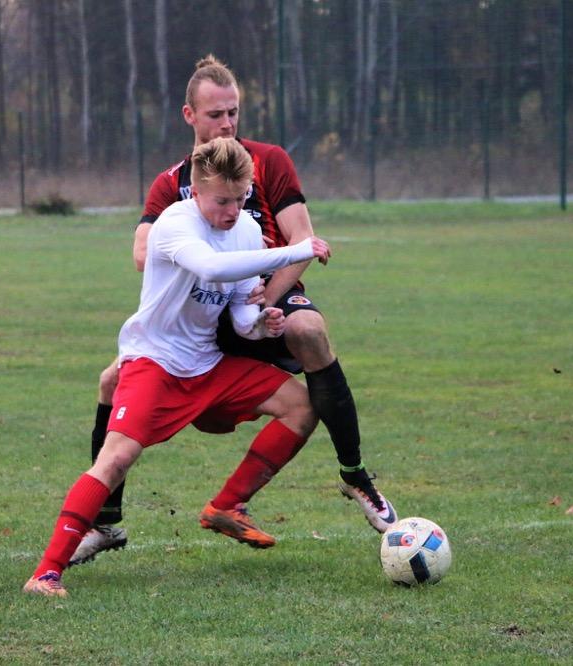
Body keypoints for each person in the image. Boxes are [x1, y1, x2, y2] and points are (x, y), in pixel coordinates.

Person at [70, 55, 397, 567]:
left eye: (234, 113)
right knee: (112, 380)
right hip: (204, 308)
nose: (227, 123)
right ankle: (104, 523)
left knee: (309, 328)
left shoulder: (269, 160)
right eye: (216, 114)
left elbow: (302, 239)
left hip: (265, 291)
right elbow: (141, 254)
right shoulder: (172, 184)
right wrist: (196, 254)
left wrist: (260, 300)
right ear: (189, 116)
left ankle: (355, 476)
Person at [23, 138, 333, 597]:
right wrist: (295, 250)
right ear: (196, 191)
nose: (232, 210)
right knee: (117, 458)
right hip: (154, 360)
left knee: (303, 407)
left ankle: (227, 504)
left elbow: (239, 311)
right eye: (221, 201)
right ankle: (46, 574)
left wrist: (259, 325)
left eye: (241, 198)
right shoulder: (174, 223)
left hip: (206, 363)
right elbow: (211, 268)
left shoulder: (247, 229)